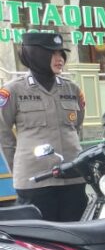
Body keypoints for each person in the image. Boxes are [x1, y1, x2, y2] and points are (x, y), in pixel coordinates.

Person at [0, 33, 88, 222]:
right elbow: (3, 136)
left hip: (73, 177)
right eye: (52, 53)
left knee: (77, 235)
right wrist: (18, 171)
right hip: (34, 181)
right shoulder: (13, 90)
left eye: (61, 53)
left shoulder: (72, 89)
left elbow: (76, 127)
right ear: (35, 54)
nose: (59, 59)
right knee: (44, 239)